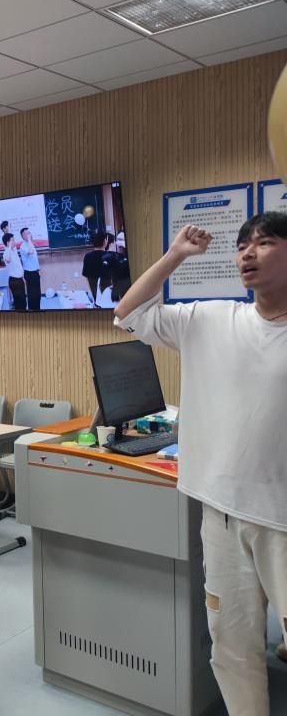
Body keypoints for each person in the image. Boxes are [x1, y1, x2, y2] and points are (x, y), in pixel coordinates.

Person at [114, 216, 287, 716]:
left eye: (265, 243)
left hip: (282, 520)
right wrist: (175, 256)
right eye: (242, 245)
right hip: (222, 513)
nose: (247, 253)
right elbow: (128, 314)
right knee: (231, 646)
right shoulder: (211, 319)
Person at [81, 230, 113, 305]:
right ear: (105, 241)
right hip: (108, 296)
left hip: (94, 294)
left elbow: (87, 277)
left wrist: (93, 296)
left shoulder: (86, 257)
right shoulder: (111, 256)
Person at [2, 233, 27, 312]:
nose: (14, 242)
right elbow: (8, 259)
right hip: (14, 281)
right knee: (20, 304)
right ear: (8, 243)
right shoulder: (6, 252)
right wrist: (9, 246)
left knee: (23, 302)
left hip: (19, 280)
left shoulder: (14, 250)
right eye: (12, 240)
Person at [19, 227, 41, 311]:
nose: (30, 235)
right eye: (28, 233)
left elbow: (34, 259)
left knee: (37, 294)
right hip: (29, 273)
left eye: (30, 233)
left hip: (35, 272)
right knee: (32, 295)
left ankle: (37, 310)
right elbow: (30, 252)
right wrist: (29, 240)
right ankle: (32, 312)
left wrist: (38, 270)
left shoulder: (30, 244)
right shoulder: (23, 246)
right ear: (23, 236)